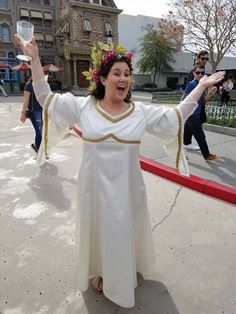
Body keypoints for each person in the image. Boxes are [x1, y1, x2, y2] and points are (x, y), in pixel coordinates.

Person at [15, 34, 225, 308]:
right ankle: (102, 272)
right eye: (117, 73)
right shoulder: (84, 108)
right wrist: (35, 60)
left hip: (127, 191)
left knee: (121, 234)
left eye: (127, 74)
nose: (124, 78)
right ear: (102, 79)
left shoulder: (139, 113)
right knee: (99, 234)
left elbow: (177, 114)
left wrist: (200, 86)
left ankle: (123, 274)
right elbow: (45, 98)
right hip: (94, 191)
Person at [183, 66, 219, 161]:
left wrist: (211, 93)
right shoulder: (192, 84)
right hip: (193, 115)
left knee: (187, 131)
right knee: (200, 136)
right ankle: (206, 155)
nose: (200, 75)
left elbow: (203, 101)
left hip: (193, 114)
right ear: (194, 73)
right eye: (198, 72)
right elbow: (184, 99)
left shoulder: (200, 85)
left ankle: (185, 144)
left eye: (202, 73)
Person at [185, 50, 210, 150]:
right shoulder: (194, 71)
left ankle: (186, 142)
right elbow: (190, 88)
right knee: (196, 123)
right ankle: (206, 153)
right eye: (203, 58)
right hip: (195, 103)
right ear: (198, 58)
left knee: (189, 123)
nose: (205, 60)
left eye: (207, 59)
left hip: (199, 101)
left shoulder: (202, 69)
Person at [20, 76, 43, 153]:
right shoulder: (29, 85)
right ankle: (39, 150)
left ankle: (37, 146)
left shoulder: (43, 84)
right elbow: (26, 100)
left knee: (44, 131)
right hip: (34, 111)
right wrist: (23, 113)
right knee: (39, 131)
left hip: (43, 110)